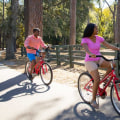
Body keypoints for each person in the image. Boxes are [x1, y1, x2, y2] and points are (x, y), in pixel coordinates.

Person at [81, 23, 120, 109]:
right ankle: (93, 100)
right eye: (96, 28)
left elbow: (109, 45)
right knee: (96, 79)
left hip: (99, 58)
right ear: (91, 29)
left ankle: (103, 81)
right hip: (90, 61)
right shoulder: (85, 39)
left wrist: (118, 49)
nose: (97, 30)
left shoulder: (99, 38)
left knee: (113, 64)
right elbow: (86, 49)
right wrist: (90, 53)